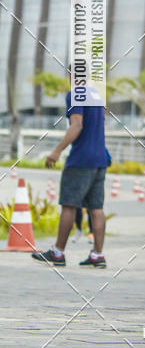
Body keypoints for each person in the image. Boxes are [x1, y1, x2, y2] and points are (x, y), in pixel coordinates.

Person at [32, 83, 109, 268]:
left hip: (81, 159)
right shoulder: (97, 96)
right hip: (100, 158)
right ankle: (97, 255)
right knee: (96, 208)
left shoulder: (76, 94)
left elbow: (77, 125)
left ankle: (58, 252)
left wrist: (57, 151)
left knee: (69, 205)